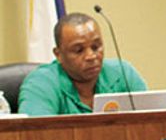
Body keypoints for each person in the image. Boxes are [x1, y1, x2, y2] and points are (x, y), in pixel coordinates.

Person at [19, 12, 147, 116]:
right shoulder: (41, 83)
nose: (91, 56)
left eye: (96, 47)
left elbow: (152, 122)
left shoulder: (123, 73)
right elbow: (36, 136)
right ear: (58, 55)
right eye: (78, 50)